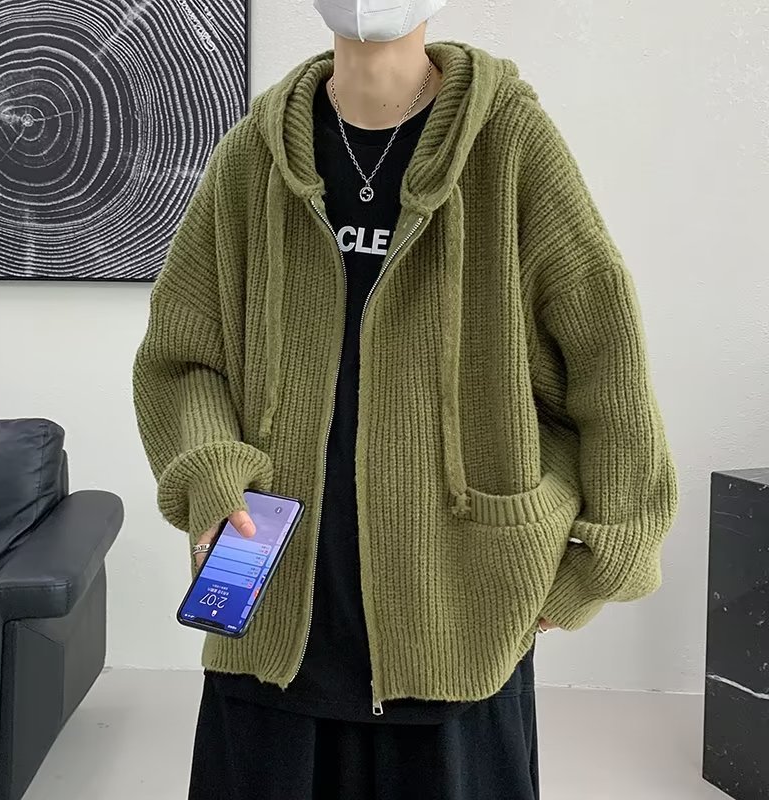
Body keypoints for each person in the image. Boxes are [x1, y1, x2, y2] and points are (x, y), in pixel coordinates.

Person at [132, 1, 679, 797]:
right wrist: (211, 469)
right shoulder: (254, 155)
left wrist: (608, 550)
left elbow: (606, 353)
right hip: (272, 617)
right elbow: (183, 356)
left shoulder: (511, 144)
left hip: (459, 620)